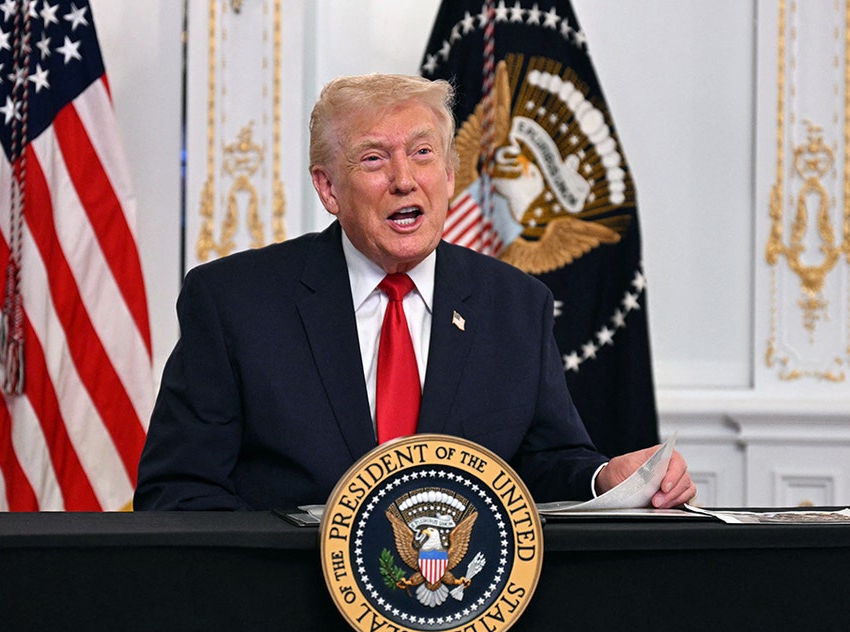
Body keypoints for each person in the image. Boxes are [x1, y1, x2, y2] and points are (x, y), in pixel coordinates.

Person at [134, 73, 695, 511]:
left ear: (450, 175)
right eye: (374, 158)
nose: (405, 179)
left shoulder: (514, 304)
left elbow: (546, 461)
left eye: (423, 153)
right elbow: (179, 494)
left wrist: (606, 478)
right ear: (328, 187)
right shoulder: (234, 302)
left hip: (463, 621)